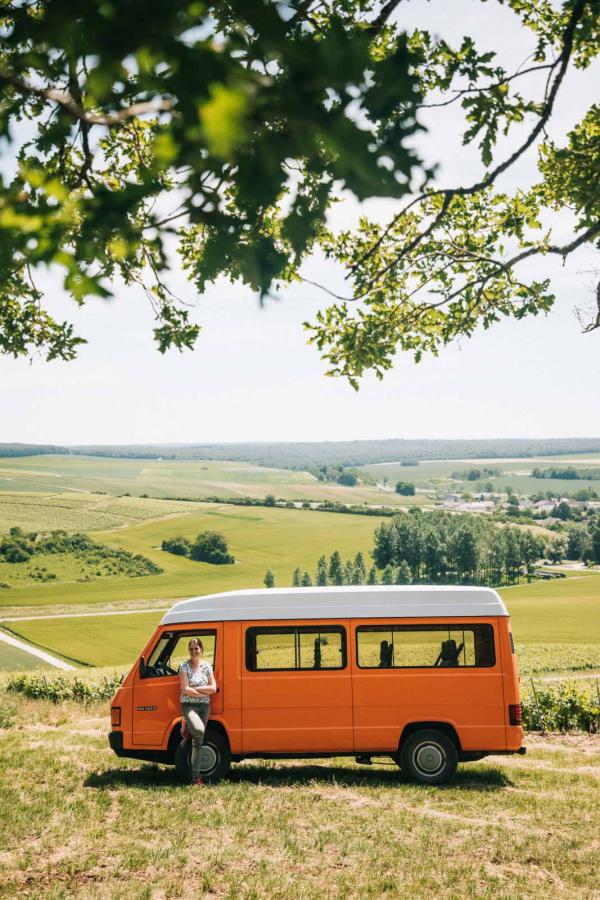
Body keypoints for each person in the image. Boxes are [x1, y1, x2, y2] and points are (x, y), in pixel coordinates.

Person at [179, 638, 217, 785]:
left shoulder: (207, 666)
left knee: (198, 741)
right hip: (189, 706)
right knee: (200, 730)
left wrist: (196, 691)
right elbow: (185, 689)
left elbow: (213, 688)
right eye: (192, 648)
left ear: (201, 649)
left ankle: (196, 778)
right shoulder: (183, 666)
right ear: (189, 650)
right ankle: (187, 723)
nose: (194, 651)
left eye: (196, 648)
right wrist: (203, 692)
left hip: (205, 707)